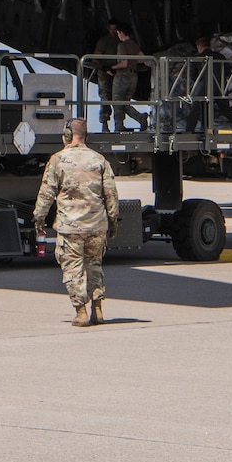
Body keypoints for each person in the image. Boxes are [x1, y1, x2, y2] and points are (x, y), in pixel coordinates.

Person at [33, 118, 120, 326]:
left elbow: (46, 193)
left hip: (70, 226)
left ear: (67, 135)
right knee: (94, 265)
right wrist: (112, 223)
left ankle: (81, 312)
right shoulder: (100, 160)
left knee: (73, 268)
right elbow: (111, 196)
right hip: (96, 225)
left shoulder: (58, 160)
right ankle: (97, 309)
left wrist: (39, 218)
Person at [102, 21, 146, 131]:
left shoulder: (122, 45)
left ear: (121, 33)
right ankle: (140, 118)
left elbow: (123, 63)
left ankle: (119, 127)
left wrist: (111, 68)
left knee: (117, 103)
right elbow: (143, 58)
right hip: (133, 77)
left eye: (118, 33)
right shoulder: (134, 44)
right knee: (125, 103)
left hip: (122, 77)